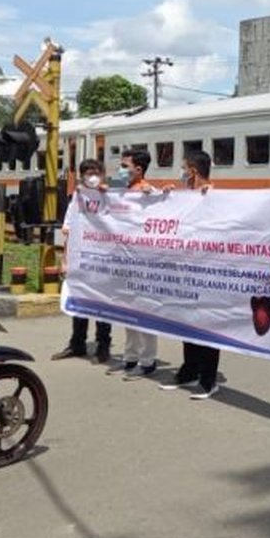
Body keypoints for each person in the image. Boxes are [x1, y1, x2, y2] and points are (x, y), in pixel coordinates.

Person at [158, 149, 220, 399]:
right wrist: (165, 198)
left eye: (184, 168)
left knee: (207, 325)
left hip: (207, 271)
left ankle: (209, 379)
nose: (181, 173)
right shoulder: (186, 197)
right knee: (187, 323)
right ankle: (189, 371)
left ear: (193, 170)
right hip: (185, 271)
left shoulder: (216, 197)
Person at [52, 159, 115, 363]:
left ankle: (103, 346)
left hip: (104, 260)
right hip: (81, 259)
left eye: (95, 171)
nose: (92, 176)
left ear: (102, 174)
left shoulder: (111, 196)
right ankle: (77, 343)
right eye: (87, 172)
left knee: (102, 304)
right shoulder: (78, 197)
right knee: (80, 302)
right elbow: (68, 229)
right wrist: (65, 259)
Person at [107, 148, 160, 379]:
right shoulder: (120, 188)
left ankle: (148, 361)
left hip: (142, 263)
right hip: (123, 260)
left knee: (144, 311)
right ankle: (130, 358)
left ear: (139, 169)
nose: (121, 170)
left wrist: (155, 195)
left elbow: (163, 213)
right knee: (127, 311)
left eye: (125, 166)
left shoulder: (149, 193)